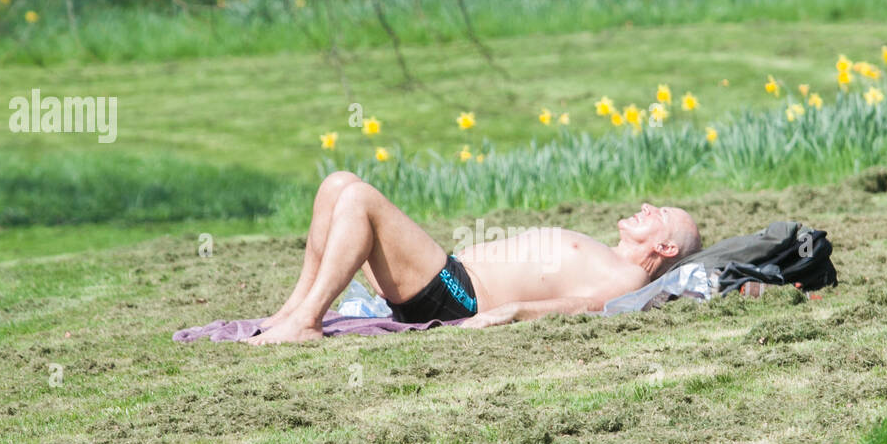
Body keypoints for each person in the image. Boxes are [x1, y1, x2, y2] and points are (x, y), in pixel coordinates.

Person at [249, 172, 701, 343]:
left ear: (665, 249)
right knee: (337, 185)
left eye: (658, 214)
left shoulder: (626, 278)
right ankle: (290, 313)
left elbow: (583, 307)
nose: (646, 207)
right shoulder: (608, 254)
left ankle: (308, 321)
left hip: (460, 298)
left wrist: (511, 313)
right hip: (451, 278)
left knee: (360, 199)